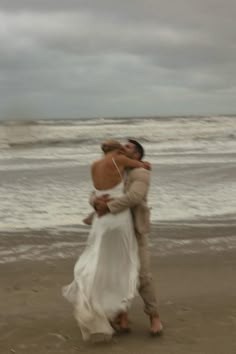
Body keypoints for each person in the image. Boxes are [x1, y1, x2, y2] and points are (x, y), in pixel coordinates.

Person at [62, 140, 149, 342]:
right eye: (122, 146)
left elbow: (94, 192)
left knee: (99, 261)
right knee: (124, 264)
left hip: (100, 221)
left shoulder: (94, 164)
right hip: (118, 218)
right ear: (117, 149)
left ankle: (106, 308)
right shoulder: (121, 160)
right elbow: (141, 166)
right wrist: (144, 165)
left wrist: (96, 202)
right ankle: (118, 308)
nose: (123, 149)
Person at [94, 139, 163, 336]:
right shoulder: (114, 170)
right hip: (114, 232)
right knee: (118, 276)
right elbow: (96, 190)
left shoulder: (141, 173)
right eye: (123, 146)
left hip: (135, 230)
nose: (124, 148)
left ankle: (154, 316)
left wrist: (107, 206)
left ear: (138, 155)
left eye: (129, 147)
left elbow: (134, 197)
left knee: (143, 277)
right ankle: (122, 316)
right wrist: (95, 201)